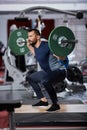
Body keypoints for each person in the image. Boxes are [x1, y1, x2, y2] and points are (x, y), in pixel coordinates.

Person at [26, 28, 69, 112]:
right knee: (31, 78)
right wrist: (28, 46)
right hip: (48, 72)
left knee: (45, 81)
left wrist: (60, 56)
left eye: (31, 36)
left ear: (38, 37)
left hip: (60, 71)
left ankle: (55, 104)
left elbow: (64, 57)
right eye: (28, 36)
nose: (28, 38)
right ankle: (43, 100)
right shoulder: (36, 47)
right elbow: (36, 54)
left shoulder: (47, 45)